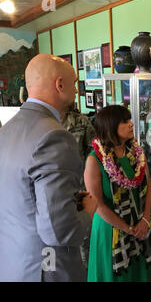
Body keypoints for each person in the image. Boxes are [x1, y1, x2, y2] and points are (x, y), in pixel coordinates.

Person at [0, 54, 97, 281]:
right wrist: (88, 212)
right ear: (59, 84)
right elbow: (59, 231)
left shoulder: (8, 128)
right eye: (74, 84)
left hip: (14, 261)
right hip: (47, 267)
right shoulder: (54, 136)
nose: (76, 91)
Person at [84, 105, 151, 282]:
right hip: (111, 232)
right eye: (125, 121)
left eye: (130, 120)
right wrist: (129, 229)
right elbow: (98, 205)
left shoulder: (136, 153)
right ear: (111, 126)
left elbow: (147, 186)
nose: (131, 124)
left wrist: (145, 220)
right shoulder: (95, 160)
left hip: (139, 225)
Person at [61, 104, 96, 272]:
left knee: (85, 242)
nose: (75, 90)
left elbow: (94, 153)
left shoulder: (81, 122)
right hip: (53, 195)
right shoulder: (41, 125)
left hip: (80, 193)